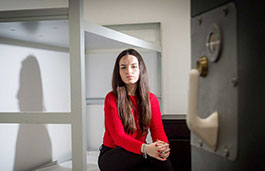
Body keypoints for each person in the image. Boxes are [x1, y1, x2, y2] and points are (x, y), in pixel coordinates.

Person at [98, 49, 174, 171]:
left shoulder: (151, 99)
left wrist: (163, 148)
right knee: (153, 158)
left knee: (157, 163)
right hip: (113, 155)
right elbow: (119, 137)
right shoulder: (112, 98)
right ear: (118, 72)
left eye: (134, 66)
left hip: (139, 153)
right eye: (123, 67)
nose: (129, 71)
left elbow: (158, 131)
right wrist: (146, 149)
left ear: (141, 69)